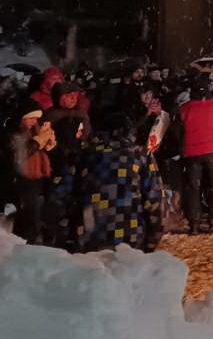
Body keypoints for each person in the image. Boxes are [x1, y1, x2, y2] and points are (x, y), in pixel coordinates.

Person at [75, 107, 163, 253]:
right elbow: (153, 199)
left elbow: (62, 196)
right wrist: (153, 238)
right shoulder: (140, 155)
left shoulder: (84, 156)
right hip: (131, 234)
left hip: (92, 234)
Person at [179, 78, 213, 234]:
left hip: (192, 152)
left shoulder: (184, 108)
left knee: (193, 187)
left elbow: (178, 131)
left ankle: (194, 222)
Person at [45, 82, 91, 249]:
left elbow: (86, 135)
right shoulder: (51, 116)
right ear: (59, 98)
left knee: (78, 201)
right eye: (68, 96)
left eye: (75, 95)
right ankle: (54, 235)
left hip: (78, 163)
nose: (73, 99)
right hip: (58, 164)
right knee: (57, 201)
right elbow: (46, 140)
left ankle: (76, 235)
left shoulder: (81, 114)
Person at [10, 101, 56, 243]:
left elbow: (43, 153)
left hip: (38, 178)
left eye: (36, 118)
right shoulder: (15, 133)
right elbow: (19, 155)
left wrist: (49, 144)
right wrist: (37, 142)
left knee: (39, 213)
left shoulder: (36, 130)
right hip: (22, 179)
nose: (33, 121)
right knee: (28, 215)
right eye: (30, 118)